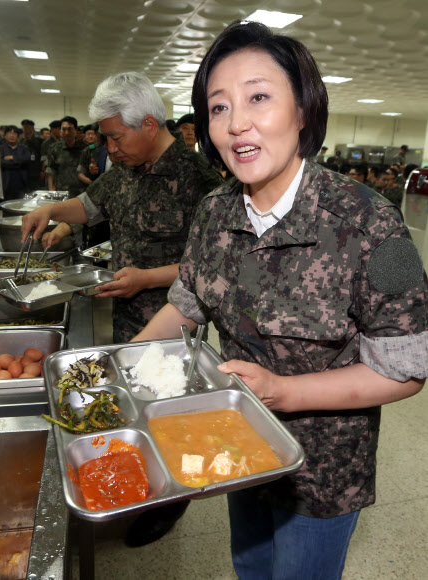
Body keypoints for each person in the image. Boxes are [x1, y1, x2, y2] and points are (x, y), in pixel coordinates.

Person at [130, 20, 428, 580]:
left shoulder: (372, 224)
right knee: (250, 567)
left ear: (304, 111)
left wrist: (282, 393)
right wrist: (116, 368)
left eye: (259, 97)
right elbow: (187, 304)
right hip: (235, 448)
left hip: (320, 475)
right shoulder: (215, 212)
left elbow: (405, 370)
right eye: (218, 108)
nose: (237, 123)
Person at [22, 70, 223, 546]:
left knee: (169, 417)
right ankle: (136, 483)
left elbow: (212, 266)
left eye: (115, 136)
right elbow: (89, 206)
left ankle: (169, 505)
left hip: (174, 329)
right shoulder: (125, 171)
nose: (109, 148)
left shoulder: (200, 182)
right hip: (124, 321)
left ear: (149, 124)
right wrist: (53, 212)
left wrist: (146, 279)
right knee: (131, 413)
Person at [45, 116, 86, 197]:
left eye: (70, 129)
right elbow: (50, 170)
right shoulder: (54, 148)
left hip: (82, 192)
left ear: (75, 130)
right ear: (60, 131)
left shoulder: (85, 148)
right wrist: (51, 189)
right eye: (63, 129)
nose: (66, 133)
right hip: (62, 192)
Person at [0, 125, 30, 199]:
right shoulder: (1, 148)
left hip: (22, 184)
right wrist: (18, 162)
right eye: (9, 133)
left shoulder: (23, 148)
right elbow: (1, 162)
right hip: (6, 184)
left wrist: (12, 158)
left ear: (18, 136)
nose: (12, 135)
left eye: (14, 133)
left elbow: (26, 159)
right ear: (5, 135)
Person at [21, 119, 43, 191]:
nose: (25, 129)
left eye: (27, 127)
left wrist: (42, 171)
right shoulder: (20, 141)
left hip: (36, 171)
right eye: (24, 127)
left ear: (32, 128)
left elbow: (42, 156)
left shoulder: (40, 141)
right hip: (24, 170)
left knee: (36, 191)